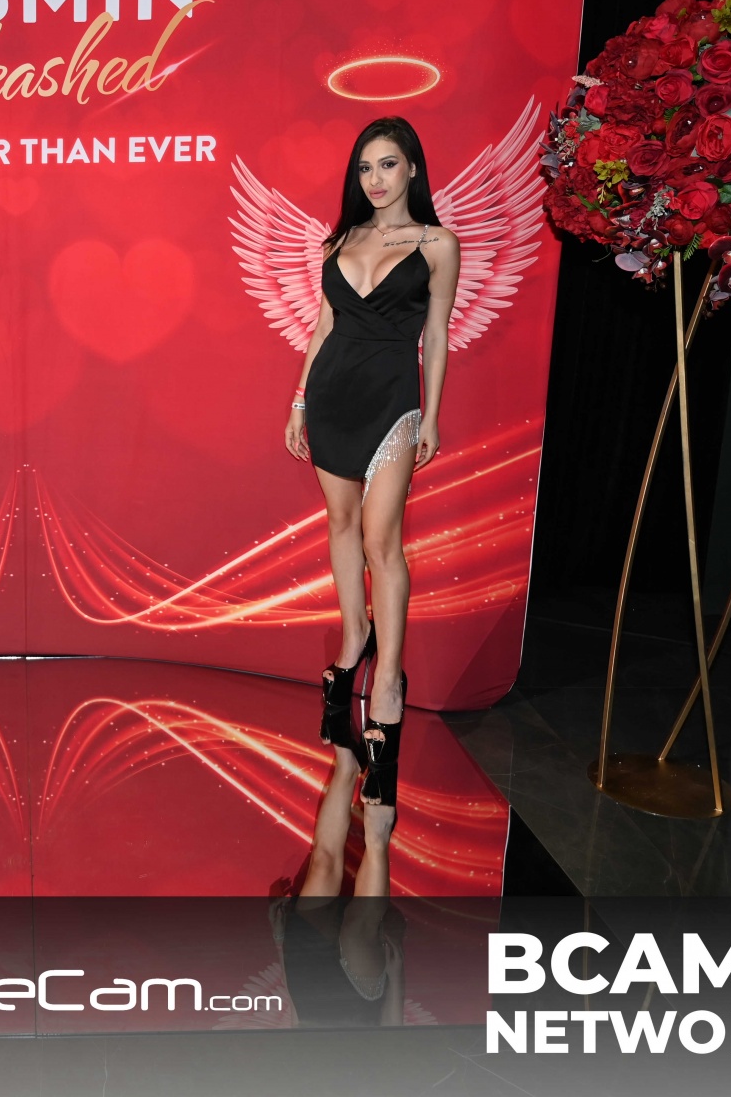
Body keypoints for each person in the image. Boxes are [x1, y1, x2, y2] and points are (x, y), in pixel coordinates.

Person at [284, 116, 459, 899]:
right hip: (331, 397)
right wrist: (297, 400)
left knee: (384, 542)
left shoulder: (437, 245)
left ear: (413, 168)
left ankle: (387, 674)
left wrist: (432, 416)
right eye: (365, 168)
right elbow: (323, 325)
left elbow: (437, 335)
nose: (376, 179)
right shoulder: (337, 244)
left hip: (392, 400)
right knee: (342, 526)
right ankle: (355, 635)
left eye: (388, 165)